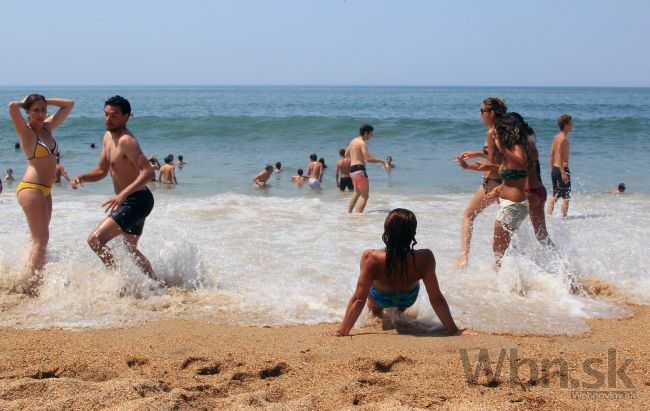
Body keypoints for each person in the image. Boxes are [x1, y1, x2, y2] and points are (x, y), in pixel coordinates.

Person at [323, 208, 474, 337]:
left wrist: (341, 331)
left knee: (372, 301)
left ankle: (376, 312)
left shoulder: (371, 257)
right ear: (413, 233)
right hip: (408, 299)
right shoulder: (425, 257)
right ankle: (399, 311)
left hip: (379, 299)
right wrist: (455, 331)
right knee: (402, 302)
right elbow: (436, 299)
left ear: (386, 231)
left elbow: (358, 299)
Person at [71, 95, 157, 281]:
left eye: (114, 115)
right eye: (106, 114)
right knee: (129, 250)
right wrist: (82, 177)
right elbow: (102, 170)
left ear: (126, 116)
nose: (108, 119)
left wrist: (123, 193)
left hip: (138, 200)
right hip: (133, 201)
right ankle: (155, 283)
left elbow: (148, 172)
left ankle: (122, 281)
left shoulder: (127, 141)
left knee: (94, 240)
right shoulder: (108, 137)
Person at [8, 94, 74, 294]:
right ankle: (32, 286)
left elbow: (68, 104)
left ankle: (29, 278)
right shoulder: (26, 131)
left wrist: (45, 102)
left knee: (40, 238)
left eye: (43, 110)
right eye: (35, 110)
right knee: (41, 239)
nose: (40, 114)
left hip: (46, 191)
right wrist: (25, 103)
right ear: (27, 112)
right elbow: (12, 106)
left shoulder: (47, 127)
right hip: (31, 188)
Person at [453, 97, 507, 268]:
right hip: (505, 183)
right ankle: (502, 264)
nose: (480, 114)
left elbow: (492, 164)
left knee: (468, 215)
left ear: (491, 113)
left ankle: (463, 258)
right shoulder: (504, 129)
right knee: (508, 225)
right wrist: (478, 153)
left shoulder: (492, 133)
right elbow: (499, 156)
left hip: (492, 183)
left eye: (482, 111)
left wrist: (466, 166)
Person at [482, 114, 531, 270]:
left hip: (513, 206)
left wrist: (501, 147)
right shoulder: (510, 151)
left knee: (498, 249)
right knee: (501, 249)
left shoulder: (517, 148)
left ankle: (508, 284)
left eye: (498, 132)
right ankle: (509, 281)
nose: (495, 134)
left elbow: (522, 164)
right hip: (510, 205)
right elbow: (510, 179)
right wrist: (497, 190)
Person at [511, 113, 552, 246]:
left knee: (509, 233)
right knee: (542, 236)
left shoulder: (519, 146)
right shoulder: (529, 141)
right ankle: (562, 264)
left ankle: (514, 265)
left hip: (528, 193)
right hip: (539, 191)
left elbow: (520, 168)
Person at [345, 124, 386, 213]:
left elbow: (346, 154)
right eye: (370, 134)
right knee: (365, 197)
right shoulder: (362, 143)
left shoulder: (353, 141)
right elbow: (368, 159)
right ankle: (357, 216)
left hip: (352, 171)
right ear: (366, 133)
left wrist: (355, 157)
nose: (371, 136)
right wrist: (381, 161)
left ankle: (349, 213)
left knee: (357, 193)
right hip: (360, 170)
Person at [547, 114, 572, 217]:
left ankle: (548, 215)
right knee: (566, 196)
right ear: (566, 125)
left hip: (555, 169)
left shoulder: (556, 137)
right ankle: (564, 218)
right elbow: (558, 155)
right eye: (570, 123)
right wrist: (563, 172)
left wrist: (553, 169)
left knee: (555, 194)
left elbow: (551, 154)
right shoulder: (563, 139)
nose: (572, 125)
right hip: (562, 170)